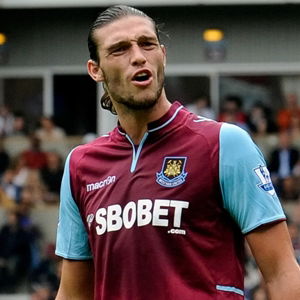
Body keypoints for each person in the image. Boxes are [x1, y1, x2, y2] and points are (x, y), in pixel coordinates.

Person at [55, 5, 300, 300]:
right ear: (96, 70)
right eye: (119, 49)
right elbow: (73, 293)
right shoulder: (81, 165)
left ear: (163, 55)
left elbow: (282, 273)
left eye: (147, 44)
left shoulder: (224, 144)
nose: (138, 56)